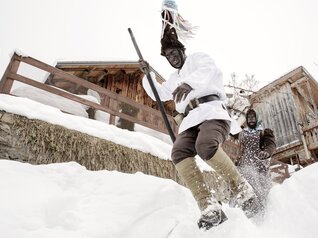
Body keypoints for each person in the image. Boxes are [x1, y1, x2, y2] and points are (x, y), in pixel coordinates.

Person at [140, 26, 261, 230]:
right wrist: (147, 74)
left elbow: (209, 70)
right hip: (189, 121)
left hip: (211, 112)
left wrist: (189, 84)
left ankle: (242, 190)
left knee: (205, 145)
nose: (172, 57)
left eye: (174, 52)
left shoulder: (198, 59)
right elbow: (159, 94)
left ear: (182, 50)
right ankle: (209, 207)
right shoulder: (173, 78)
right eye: (168, 55)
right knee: (178, 153)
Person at [236, 108, 276, 213]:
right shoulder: (242, 133)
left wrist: (267, 152)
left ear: (257, 118)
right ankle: (248, 213)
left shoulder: (264, 132)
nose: (251, 120)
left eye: (253, 117)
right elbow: (240, 149)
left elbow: (271, 144)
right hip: (244, 166)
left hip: (260, 167)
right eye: (249, 118)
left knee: (262, 191)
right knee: (246, 189)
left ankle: (265, 213)